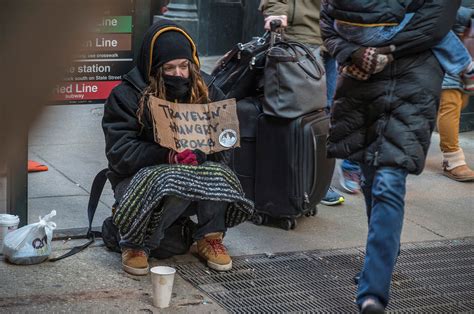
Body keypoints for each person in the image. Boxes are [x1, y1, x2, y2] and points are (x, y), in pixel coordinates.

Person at [321, 0, 460, 313]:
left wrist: (384, 49)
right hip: (361, 86)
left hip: (413, 84)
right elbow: (328, 24)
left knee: (387, 182)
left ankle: (372, 293)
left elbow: (435, 23)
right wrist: (352, 53)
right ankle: (382, 256)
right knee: (371, 182)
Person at [102, 19, 253, 276]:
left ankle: (210, 236)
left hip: (192, 174)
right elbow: (120, 153)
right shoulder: (126, 96)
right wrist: (166, 155)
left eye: (184, 66)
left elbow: (224, 145)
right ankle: (135, 243)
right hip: (136, 177)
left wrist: (202, 151)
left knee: (222, 174)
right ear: (153, 67)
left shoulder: (206, 89)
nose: (179, 74)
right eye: (169, 68)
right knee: (175, 180)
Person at [259, 0, 359, 206]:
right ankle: (302, 183)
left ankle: (316, 182)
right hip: (300, 35)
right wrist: (277, 12)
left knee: (325, 114)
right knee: (297, 113)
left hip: (335, 37)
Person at [438, 5, 474, 182]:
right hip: (450, 42)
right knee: (450, 102)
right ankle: (452, 160)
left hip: (467, 48)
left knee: (461, 101)